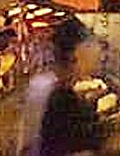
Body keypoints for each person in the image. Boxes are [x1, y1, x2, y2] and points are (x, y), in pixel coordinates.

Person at [25, 17, 103, 156]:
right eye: (93, 43)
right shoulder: (64, 101)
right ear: (77, 52)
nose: (100, 54)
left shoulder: (42, 84)